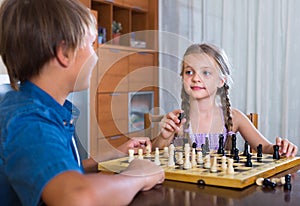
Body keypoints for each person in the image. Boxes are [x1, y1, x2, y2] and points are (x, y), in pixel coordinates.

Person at [0, 0, 164, 206]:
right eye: (90, 44)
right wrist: (137, 176)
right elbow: (76, 196)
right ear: (64, 53)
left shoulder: (36, 108)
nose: (95, 56)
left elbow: (59, 171)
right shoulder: (30, 121)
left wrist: (113, 155)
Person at [152, 43, 298, 157]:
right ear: (182, 77)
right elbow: (152, 153)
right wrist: (164, 137)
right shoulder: (177, 121)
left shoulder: (234, 118)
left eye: (206, 72)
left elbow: (265, 148)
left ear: (221, 81)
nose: (196, 78)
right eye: (189, 72)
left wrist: (281, 148)